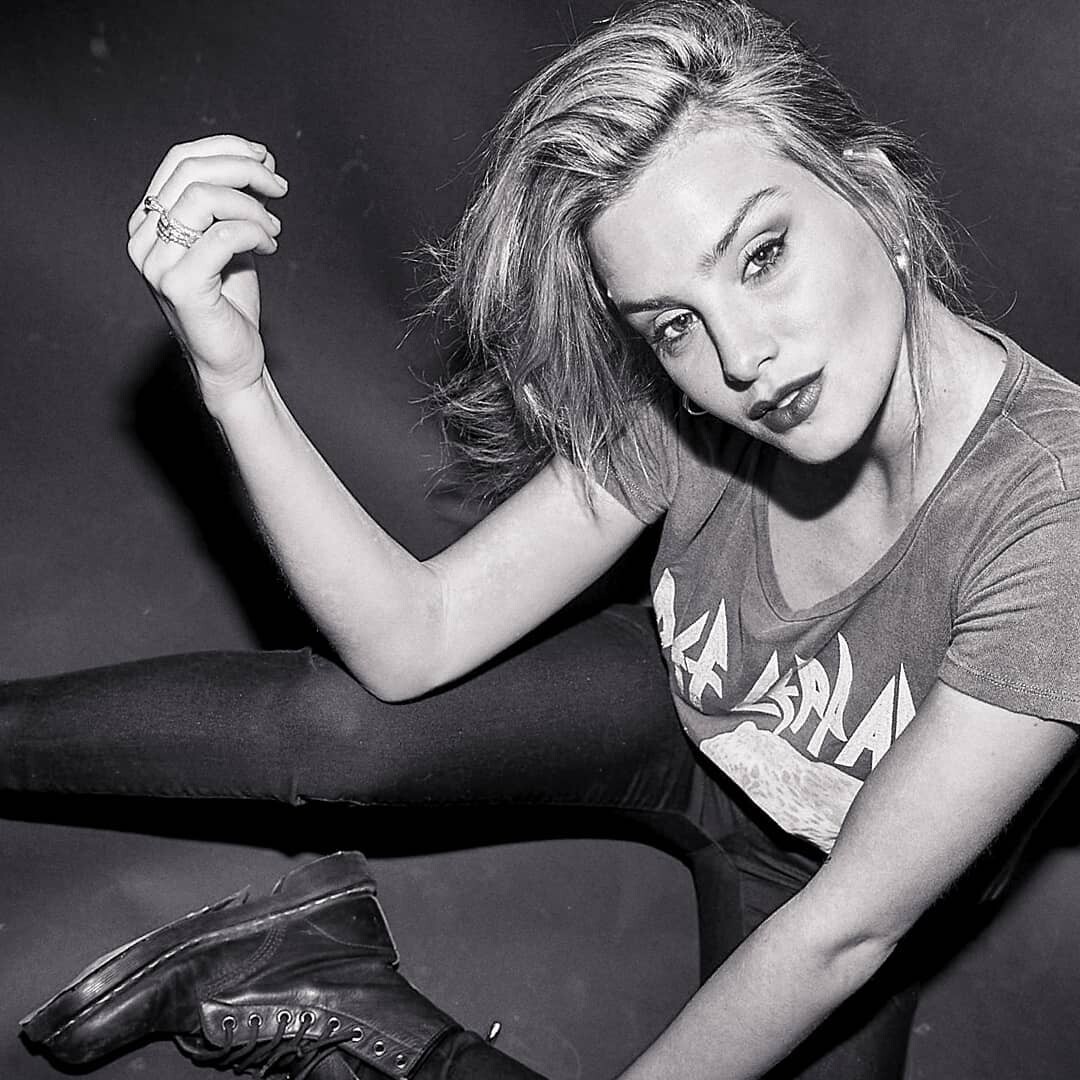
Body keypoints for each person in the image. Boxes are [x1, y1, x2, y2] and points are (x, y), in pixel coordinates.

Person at [7, 0, 1080, 1077]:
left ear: (876, 196)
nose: (741, 356)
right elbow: (415, 634)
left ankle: (342, 993)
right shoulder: (696, 407)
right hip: (684, 717)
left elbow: (844, 932)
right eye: (672, 322)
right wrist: (236, 381)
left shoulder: (1056, 518)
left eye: (761, 256)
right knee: (344, 721)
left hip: (831, 881)